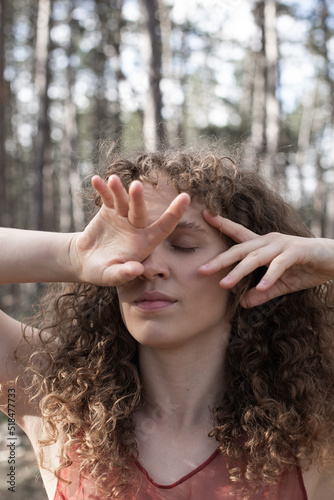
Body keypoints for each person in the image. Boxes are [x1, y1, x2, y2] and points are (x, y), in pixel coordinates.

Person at [1, 148, 334, 500]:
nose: (148, 266)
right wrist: (73, 253)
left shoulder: (315, 430)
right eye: (133, 247)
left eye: (183, 245)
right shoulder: (58, 401)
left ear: (249, 266)